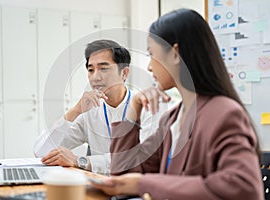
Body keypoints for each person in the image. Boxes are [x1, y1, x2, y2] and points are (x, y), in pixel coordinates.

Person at [92, 9, 263, 200]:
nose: (149, 66)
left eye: (152, 54)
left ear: (175, 53)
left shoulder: (225, 113)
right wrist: (133, 111)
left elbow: (243, 188)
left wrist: (143, 184)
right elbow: (123, 177)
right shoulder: (172, 119)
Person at [34, 39, 162, 173]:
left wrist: (81, 161)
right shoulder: (90, 110)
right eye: (91, 70)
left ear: (124, 73)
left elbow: (141, 157)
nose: (95, 77)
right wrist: (74, 111)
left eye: (103, 69)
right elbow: (41, 152)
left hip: (136, 187)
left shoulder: (146, 105)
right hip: (98, 185)